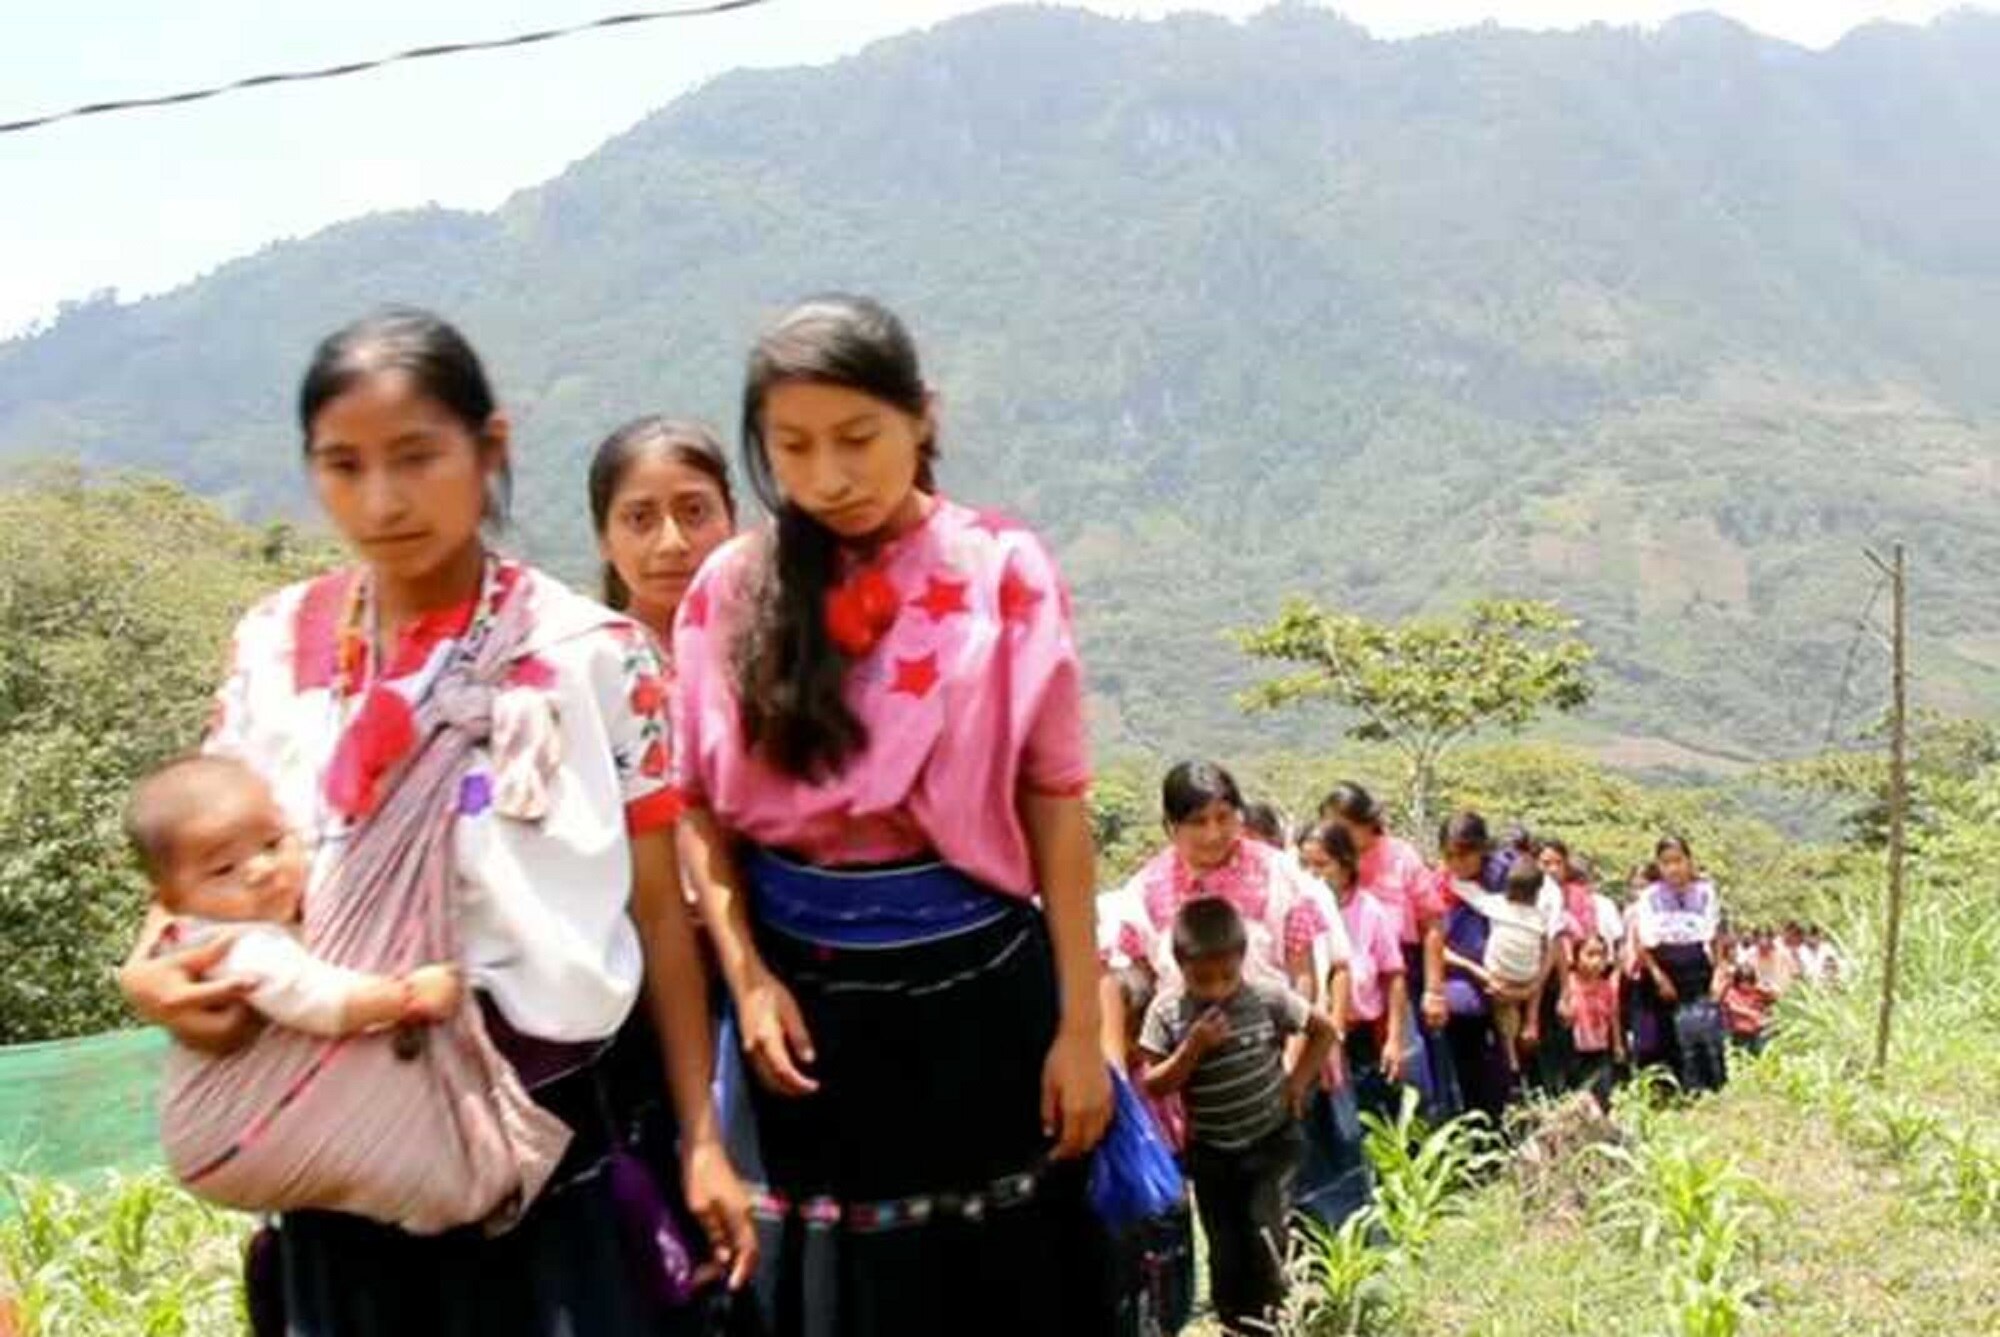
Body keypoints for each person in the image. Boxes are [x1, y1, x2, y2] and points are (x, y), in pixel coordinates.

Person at [118, 308, 753, 1337]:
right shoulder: (272, 647)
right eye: (345, 465)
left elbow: (655, 914)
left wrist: (701, 1135)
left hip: (541, 1148)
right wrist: (154, 969)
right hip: (343, 1155)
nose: (383, 499)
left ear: (488, 449)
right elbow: (206, 858)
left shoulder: (592, 653)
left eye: (417, 457)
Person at [668, 294, 1116, 1334]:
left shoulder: (1003, 570)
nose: (828, 475)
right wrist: (749, 977)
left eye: (857, 437)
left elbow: (1055, 804)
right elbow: (696, 808)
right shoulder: (732, 588)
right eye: (793, 446)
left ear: (922, 416)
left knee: (1000, 1295)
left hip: (982, 1007)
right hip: (803, 1021)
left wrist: (1080, 1025)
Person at [129, 755, 464, 1043]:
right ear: (173, 901)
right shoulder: (229, 946)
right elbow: (308, 998)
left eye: (272, 844)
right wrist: (404, 997)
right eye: (223, 869)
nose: (262, 870)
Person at [1138, 899, 1336, 1336]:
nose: (1216, 990)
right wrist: (1192, 1048)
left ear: (1242, 960)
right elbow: (1153, 1084)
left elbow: (1324, 1030)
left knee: (1264, 1234)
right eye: (1202, 979)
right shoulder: (1167, 1012)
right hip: (1212, 1152)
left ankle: (1278, 1319)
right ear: (1180, 966)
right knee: (1226, 1248)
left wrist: (1297, 1082)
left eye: (1227, 976)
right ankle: (1235, 1324)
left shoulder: (1266, 996)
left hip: (1271, 1140)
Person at [1320, 783, 1450, 1115]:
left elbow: (1432, 924)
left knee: (1407, 1067)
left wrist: (1434, 990)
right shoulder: (1325, 864)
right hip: (1344, 987)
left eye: (1344, 826)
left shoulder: (1400, 858)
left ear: (1366, 823)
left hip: (1398, 976)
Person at [1317, 824, 1408, 1121]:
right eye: (1306, 865)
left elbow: (1394, 975)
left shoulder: (1370, 911)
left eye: (1322, 864)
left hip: (1363, 1037)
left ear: (1345, 864)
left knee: (1374, 1118)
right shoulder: (1302, 911)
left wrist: (1395, 1039)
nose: (1314, 875)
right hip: (1317, 1039)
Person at [1441, 856, 1552, 1075]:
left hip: (1498, 972)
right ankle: (1512, 1054)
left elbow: (1465, 890)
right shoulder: (1540, 916)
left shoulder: (1498, 906)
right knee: (1509, 1007)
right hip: (1527, 975)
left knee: (1502, 1008)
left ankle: (1509, 1053)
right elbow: (1546, 944)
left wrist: (1446, 868)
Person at [1634, 837, 1727, 1095]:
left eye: (1678, 861)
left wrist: (1719, 972)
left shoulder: (1705, 892)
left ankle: (1706, 1092)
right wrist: (1658, 976)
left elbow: (1716, 936)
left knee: (1701, 1032)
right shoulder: (1649, 896)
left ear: (1689, 861)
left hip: (1695, 968)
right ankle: (1665, 1094)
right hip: (1660, 970)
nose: (1673, 868)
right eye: (1666, 863)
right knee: (1662, 1037)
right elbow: (1643, 942)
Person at [1557, 935, 1624, 1108]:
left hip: (1600, 1048)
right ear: (1576, 956)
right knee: (1577, 1094)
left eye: (1601, 955)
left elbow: (1613, 1017)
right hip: (1575, 1050)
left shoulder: (1607, 987)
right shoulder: (1568, 984)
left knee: (1603, 1094)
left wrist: (1617, 1045)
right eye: (1590, 954)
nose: (1596, 961)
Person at [1719, 964, 1773, 1056]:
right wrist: (1750, 1013)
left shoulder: (1756, 992)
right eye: (1743, 983)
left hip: (1755, 1032)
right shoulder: (1732, 992)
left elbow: (1773, 996)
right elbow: (1731, 1006)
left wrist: (1762, 988)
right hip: (1739, 1032)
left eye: (1748, 983)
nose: (1746, 986)